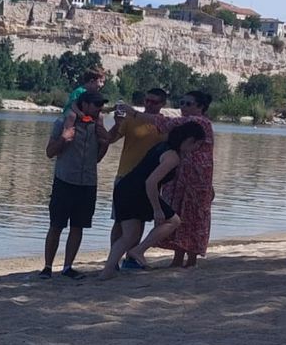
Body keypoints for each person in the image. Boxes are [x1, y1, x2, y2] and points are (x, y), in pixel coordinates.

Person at [98, 121, 207, 280]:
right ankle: (138, 251)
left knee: (129, 236)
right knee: (173, 221)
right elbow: (151, 182)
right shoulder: (172, 156)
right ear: (190, 140)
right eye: (197, 144)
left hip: (126, 188)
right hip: (136, 191)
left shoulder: (163, 146)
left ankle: (106, 273)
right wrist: (157, 209)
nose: (196, 148)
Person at [41, 90, 112, 279]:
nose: (100, 109)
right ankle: (47, 267)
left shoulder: (97, 127)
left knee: (78, 226)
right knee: (56, 225)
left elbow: (97, 159)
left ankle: (67, 267)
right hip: (64, 180)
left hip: (88, 183)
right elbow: (50, 152)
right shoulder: (62, 123)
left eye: (101, 105)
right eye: (96, 105)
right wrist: (64, 138)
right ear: (85, 105)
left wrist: (104, 143)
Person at [157, 91, 215, 268]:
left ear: (200, 107)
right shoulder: (187, 124)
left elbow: (167, 123)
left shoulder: (200, 122)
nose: (183, 107)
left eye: (188, 104)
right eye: (181, 103)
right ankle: (178, 258)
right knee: (179, 213)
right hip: (180, 178)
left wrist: (135, 113)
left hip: (196, 181)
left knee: (194, 216)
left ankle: (191, 260)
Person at [106, 87, 168, 244]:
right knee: (120, 220)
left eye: (154, 102)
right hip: (125, 175)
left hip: (149, 180)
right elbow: (110, 139)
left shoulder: (164, 124)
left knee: (140, 220)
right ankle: (114, 259)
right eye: (147, 100)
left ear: (162, 104)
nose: (149, 104)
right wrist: (116, 124)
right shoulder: (131, 119)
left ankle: (131, 257)